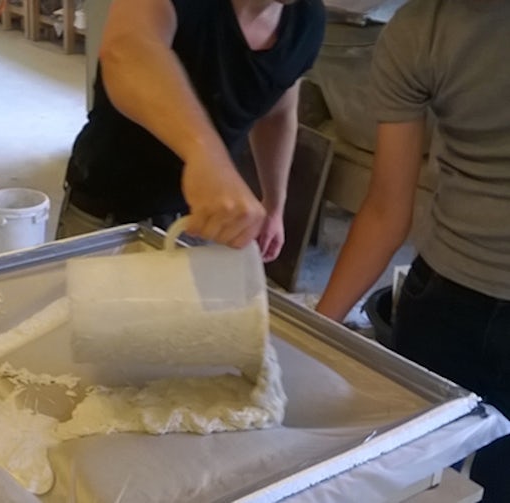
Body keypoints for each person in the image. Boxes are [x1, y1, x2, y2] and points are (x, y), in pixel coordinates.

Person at [315, 1, 510, 501]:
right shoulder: (419, 30)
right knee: (424, 478)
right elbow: (385, 208)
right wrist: (315, 333)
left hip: (444, 298)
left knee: (425, 478)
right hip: (446, 302)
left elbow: (386, 209)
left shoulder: (423, 28)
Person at [56, 0, 325, 260]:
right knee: (85, 291)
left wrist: (274, 205)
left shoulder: (306, 19)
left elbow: (277, 113)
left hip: (201, 219)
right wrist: (207, 156)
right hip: (107, 205)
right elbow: (127, 50)